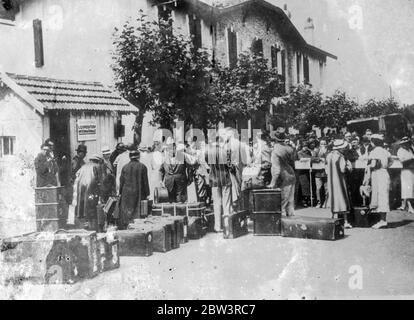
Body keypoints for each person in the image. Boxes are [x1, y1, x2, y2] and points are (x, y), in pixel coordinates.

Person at [205, 128, 233, 232]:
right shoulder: (226, 151)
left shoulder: (208, 151)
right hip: (225, 178)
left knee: (216, 203)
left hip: (214, 179)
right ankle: (227, 225)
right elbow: (230, 165)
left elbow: (207, 163)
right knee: (226, 203)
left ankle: (217, 226)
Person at [119, 150, 150, 229]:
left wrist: (120, 192)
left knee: (127, 213)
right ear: (139, 157)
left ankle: (126, 227)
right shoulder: (143, 166)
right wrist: (147, 194)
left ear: (129, 157)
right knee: (137, 212)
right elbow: (145, 182)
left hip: (126, 193)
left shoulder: (125, 167)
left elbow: (121, 182)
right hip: (138, 192)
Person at [267, 131, 296, 216]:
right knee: (290, 203)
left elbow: (276, 169)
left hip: (282, 178)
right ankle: (291, 225)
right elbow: (294, 162)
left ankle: (281, 225)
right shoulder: (290, 148)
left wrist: (272, 183)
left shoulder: (275, 151)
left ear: (275, 140)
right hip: (291, 175)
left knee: (281, 204)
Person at [326, 139, 353, 229]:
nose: (345, 149)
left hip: (331, 180)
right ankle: (345, 221)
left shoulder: (329, 155)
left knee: (333, 198)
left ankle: (333, 219)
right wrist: (348, 166)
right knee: (342, 198)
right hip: (339, 180)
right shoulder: (340, 156)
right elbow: (342, 169)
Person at [72, 154, 103, 231]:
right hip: (92, 188)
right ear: (97, 160)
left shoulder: (83, 166)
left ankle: (85, 223)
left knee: (83, 206)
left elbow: (77, 175)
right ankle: (93, 226)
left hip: (81, 188)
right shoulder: (97, 166)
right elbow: (100, 180)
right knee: (92, 206)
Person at [159, 138, 194, 203]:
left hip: (181, 183)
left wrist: (190, 179)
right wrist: (161, 180)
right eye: (169, 147)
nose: (171, 149)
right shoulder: (164, 158)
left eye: (172, 147)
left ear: (175, 147)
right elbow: (161, 170)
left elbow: (189, 168)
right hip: (169, 184)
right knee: (170, 202)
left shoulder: (182, 156)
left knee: (181, 203)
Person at [368, 134, 391, 229]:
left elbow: (373, 164)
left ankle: (382, 220)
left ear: (374, 142)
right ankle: (382, 219)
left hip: (377, 174)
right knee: (384, 195)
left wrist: (368, 166)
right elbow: (391, 161)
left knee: (379, 195)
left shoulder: (374, 152)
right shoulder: (386, 151)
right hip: (384, 172)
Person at [396, 137, 414, 213]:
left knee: (411, 188)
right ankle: (410, 207)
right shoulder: (400, 150)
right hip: (406, 170)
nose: (406, 144)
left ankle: (405, 205)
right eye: (405, 143)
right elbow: (402, 160)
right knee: (407, 189)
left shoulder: (410, 149)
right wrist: (411, 158)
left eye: (407, 143)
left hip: (412, 170)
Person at [313, 138, 329, 208]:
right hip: (318, 173)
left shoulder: (329, 151)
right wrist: (319, 159)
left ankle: (326, 202)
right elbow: (312, 158)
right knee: (318, 188)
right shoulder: (316, 150)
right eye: (322, 144)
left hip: (326, 172)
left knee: (327, 188)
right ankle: (319, 202)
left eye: (324, 144)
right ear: (319, 144)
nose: (323, 145)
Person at [297, 140, 313, 207]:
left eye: (306, 146)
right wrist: (309, 159)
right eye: (304, 146)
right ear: (301, 146)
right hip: (302, 171)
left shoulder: (309, 152)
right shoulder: (299, 152)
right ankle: (303, 200)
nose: (305, 147)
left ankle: (308, 199)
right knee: (303, 186)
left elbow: (311, 158)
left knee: (309, 186)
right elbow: (301, 159)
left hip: (308, 170)